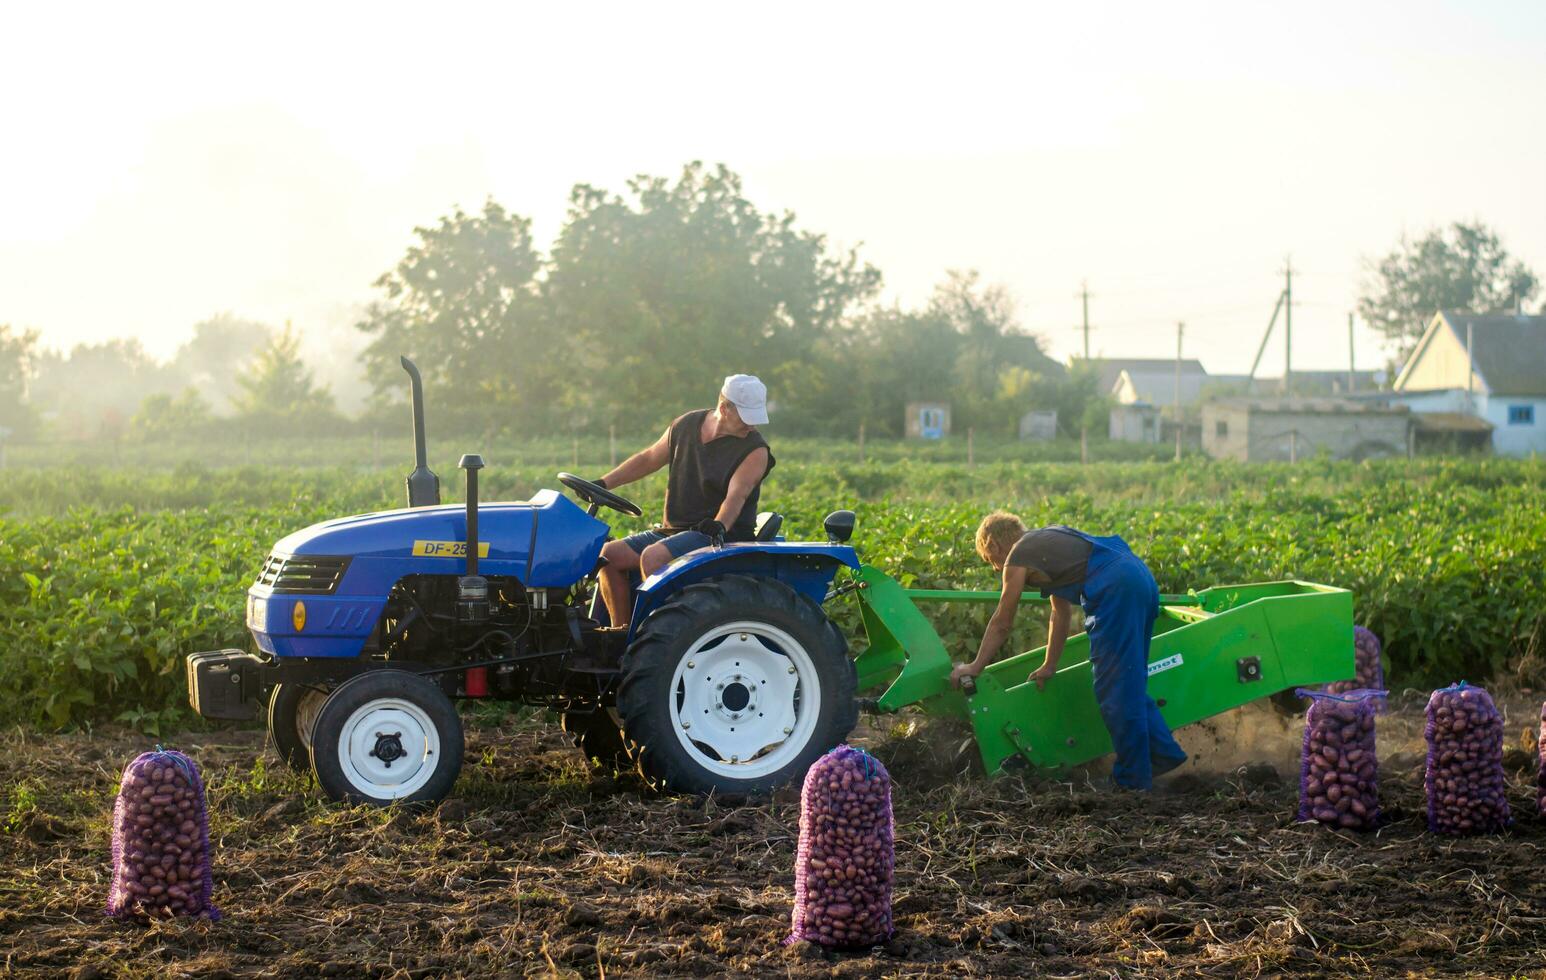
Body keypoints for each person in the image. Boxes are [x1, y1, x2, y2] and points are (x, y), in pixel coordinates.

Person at [949, 512, 1187, 790]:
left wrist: (975, 666)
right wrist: (1050, 664)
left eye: (991, 561)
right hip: (1137, 577)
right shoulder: (1046, 544)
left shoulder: (1018, 555)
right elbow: (1059, 614)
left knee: (1114, 688)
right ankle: (1161, 754)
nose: (995, 569)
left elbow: (1003, 621)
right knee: (1127, 682)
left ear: (995, 546)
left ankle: (1132, 781)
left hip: (1115, 588)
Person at [591, 374, 775, 627]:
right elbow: (648, 459)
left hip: (719, 535)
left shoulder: (755, 451)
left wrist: (719, 525)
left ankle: (658, 635)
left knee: (653, 558)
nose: (752, 426)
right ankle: (619, 635)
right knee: (608, 555)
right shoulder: (686, 425)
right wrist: (603, 483)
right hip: (675, 530)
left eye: (756, 418)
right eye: (746, 418)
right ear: (724, 408)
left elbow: (738, 494)